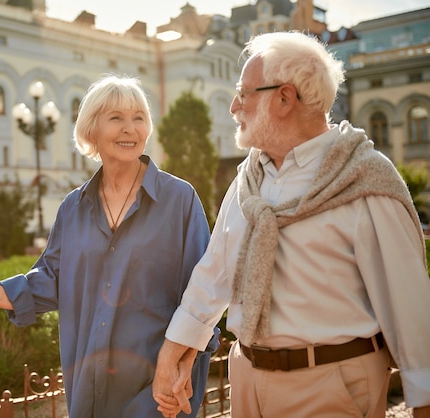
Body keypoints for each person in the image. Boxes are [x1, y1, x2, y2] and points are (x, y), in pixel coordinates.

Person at [153, 31, 430, 418]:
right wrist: (174, 352)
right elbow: (213, 274)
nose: (235, 106)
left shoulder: (365, 178)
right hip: (246, 378)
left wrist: (424, 402)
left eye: (245, 93)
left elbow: (409, 304)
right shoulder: (247, 181)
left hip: (332, 385)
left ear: (283, 98)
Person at [0, 74, 218, 418]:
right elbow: (51, 279)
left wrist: (186, 361)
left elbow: (203, 294)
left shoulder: (179, 200)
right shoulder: (73, 208)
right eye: (116, 118)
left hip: (156, 392)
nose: (130, 128)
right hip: (89, 391)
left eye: (138, 118)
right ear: (91, 130)